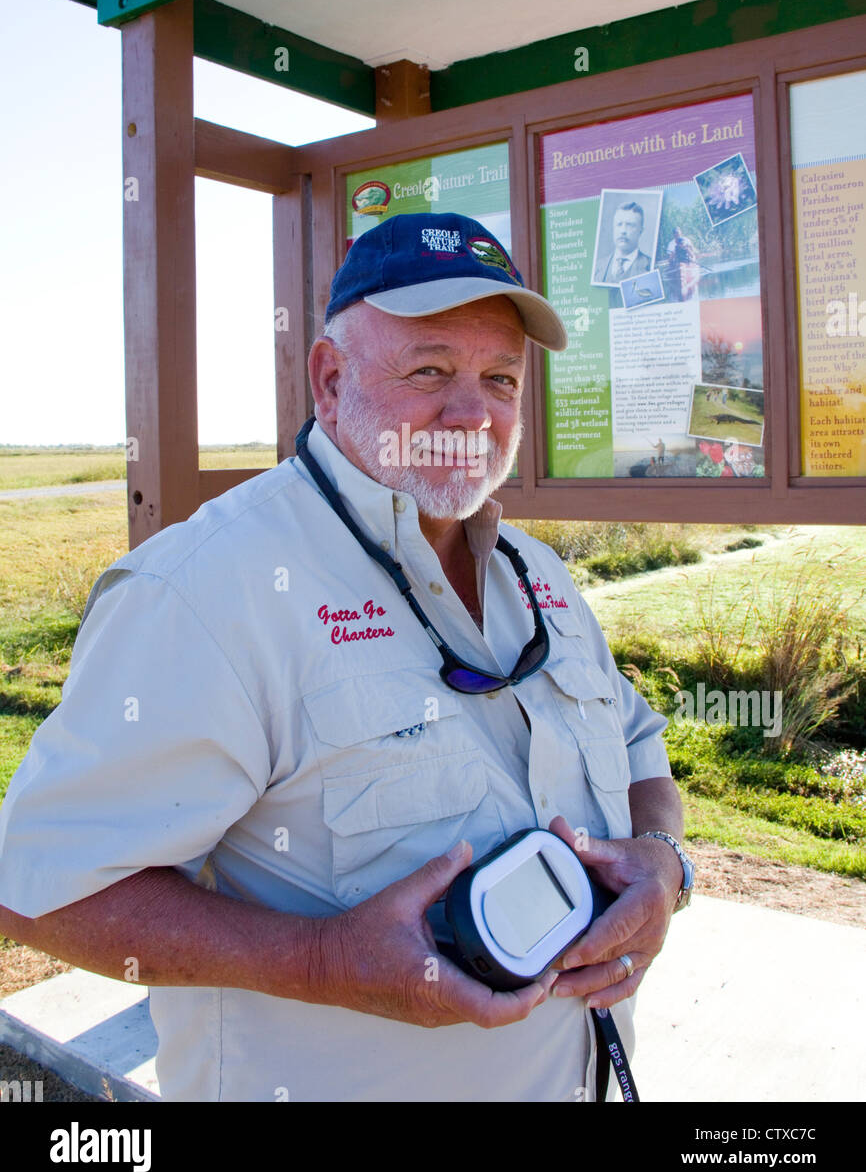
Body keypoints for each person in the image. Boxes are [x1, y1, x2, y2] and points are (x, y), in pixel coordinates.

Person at [0, 212, 692, 1103]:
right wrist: (323, 961)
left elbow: (640, 752)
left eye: (501, 378)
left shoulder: (537, 576)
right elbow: (39, 886)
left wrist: (665, 864)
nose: (472, 413)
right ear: (329, 379)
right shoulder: (207, 590)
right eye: (430, 370)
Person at [596, 202, 652, 284]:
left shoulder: (650, 267)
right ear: (613, 228)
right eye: (619, 224)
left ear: (641, 231)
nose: (623, 231)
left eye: (630, 225)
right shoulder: (597, 266)